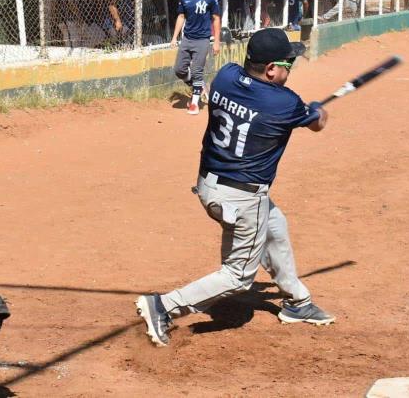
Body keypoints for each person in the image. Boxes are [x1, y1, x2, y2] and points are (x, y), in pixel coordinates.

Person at [136, 28, 334, 347]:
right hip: (242, 198)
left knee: (274, 225)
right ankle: (164, 306)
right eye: (288, 64)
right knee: (238, 277)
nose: (289, 70)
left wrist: (303, 109)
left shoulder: (227, 76)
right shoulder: (284, 103)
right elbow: (317, 123)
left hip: (208, 186)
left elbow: (264, 102)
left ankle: (297, 301)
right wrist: (316, 109)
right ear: (271, 69)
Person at [172, 0, 221, 115]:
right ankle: (198, 87)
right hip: (187, 38)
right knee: (179, 70)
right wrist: (174, 37)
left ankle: (194, 103)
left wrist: (216, 41)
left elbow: (216, 18)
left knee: (196, 71)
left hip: (202, 40)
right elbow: (181, 17)